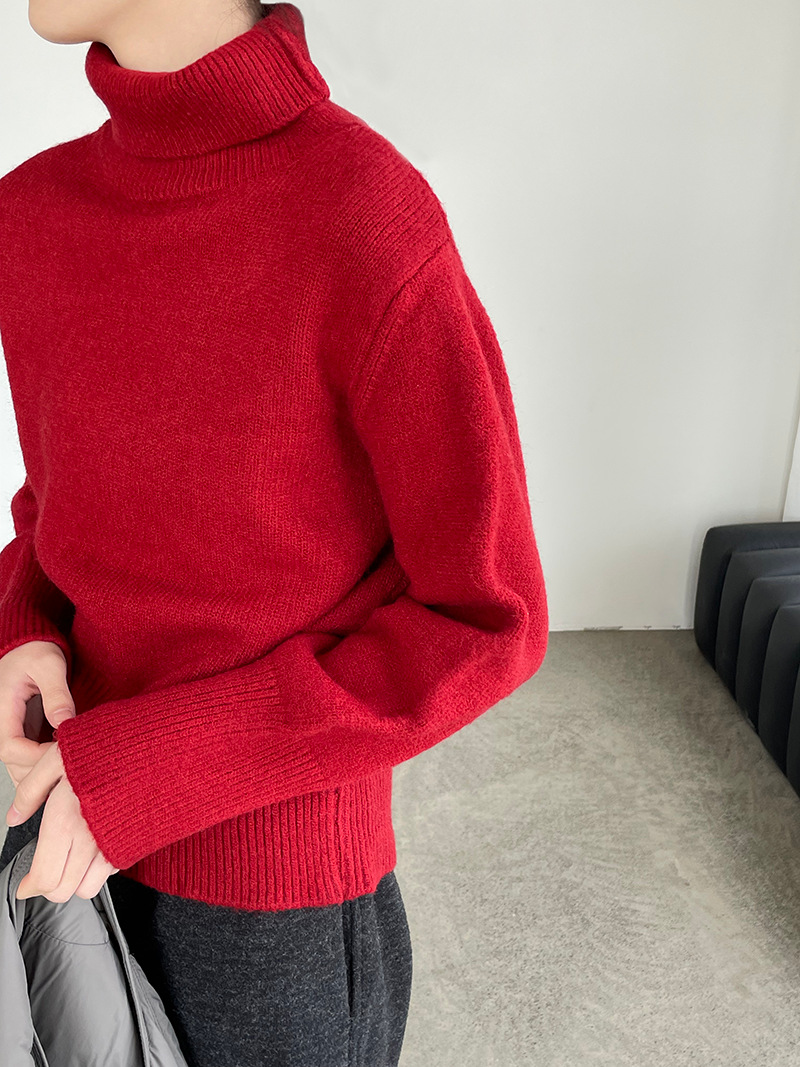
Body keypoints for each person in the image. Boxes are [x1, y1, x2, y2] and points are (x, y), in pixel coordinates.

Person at [0, 1, 549, 1065]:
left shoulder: (364, 215)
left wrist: (152, 774)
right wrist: (25, 620)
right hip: (59, 842)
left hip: (267, 917)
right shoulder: (31, 214)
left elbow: (489, 617)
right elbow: (63, 498)